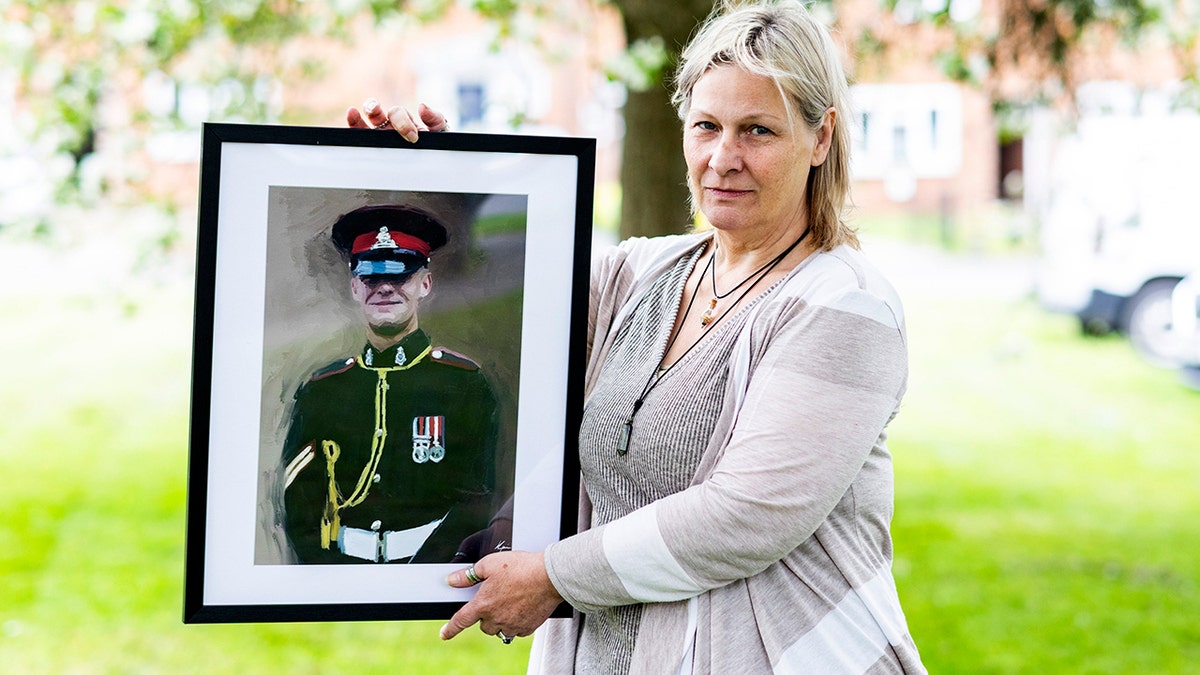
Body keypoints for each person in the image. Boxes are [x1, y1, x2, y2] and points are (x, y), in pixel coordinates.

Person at [349, 0, 925, 671]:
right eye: (706, 125)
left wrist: (554, 576)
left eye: (758, 131)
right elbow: (472, 330)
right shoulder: (634, 275)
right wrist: (412, 175)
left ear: (820, 137)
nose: (722, 157)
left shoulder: (845, 308)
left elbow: (742, 518)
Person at [280, 203, 509, 564]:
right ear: (355, 287)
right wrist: (325, 571)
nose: (384, 287)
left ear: (425, 284)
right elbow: (298, 499)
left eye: (400, 274)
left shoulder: (464, 383)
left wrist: (425, 574)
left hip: (431, 566)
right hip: (341, 567)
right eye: (370, 275)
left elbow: (476, 499)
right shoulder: (322, 389)